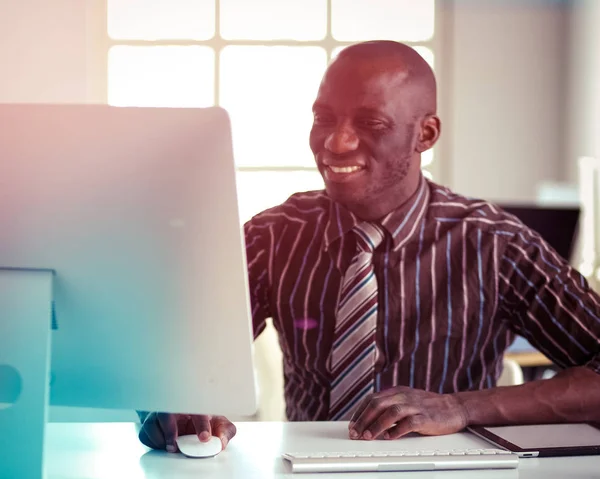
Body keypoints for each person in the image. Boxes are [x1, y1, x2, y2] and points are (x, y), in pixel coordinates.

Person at [138, 40, 600, 453]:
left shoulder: (496, 244)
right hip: (304, 467)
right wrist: (171, 408)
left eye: (371, 122)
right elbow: (172, 361)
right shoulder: (273, 234)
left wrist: (460, 408)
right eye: (323, 118)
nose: (336, 142)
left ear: (426, 134)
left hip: (448, 472)